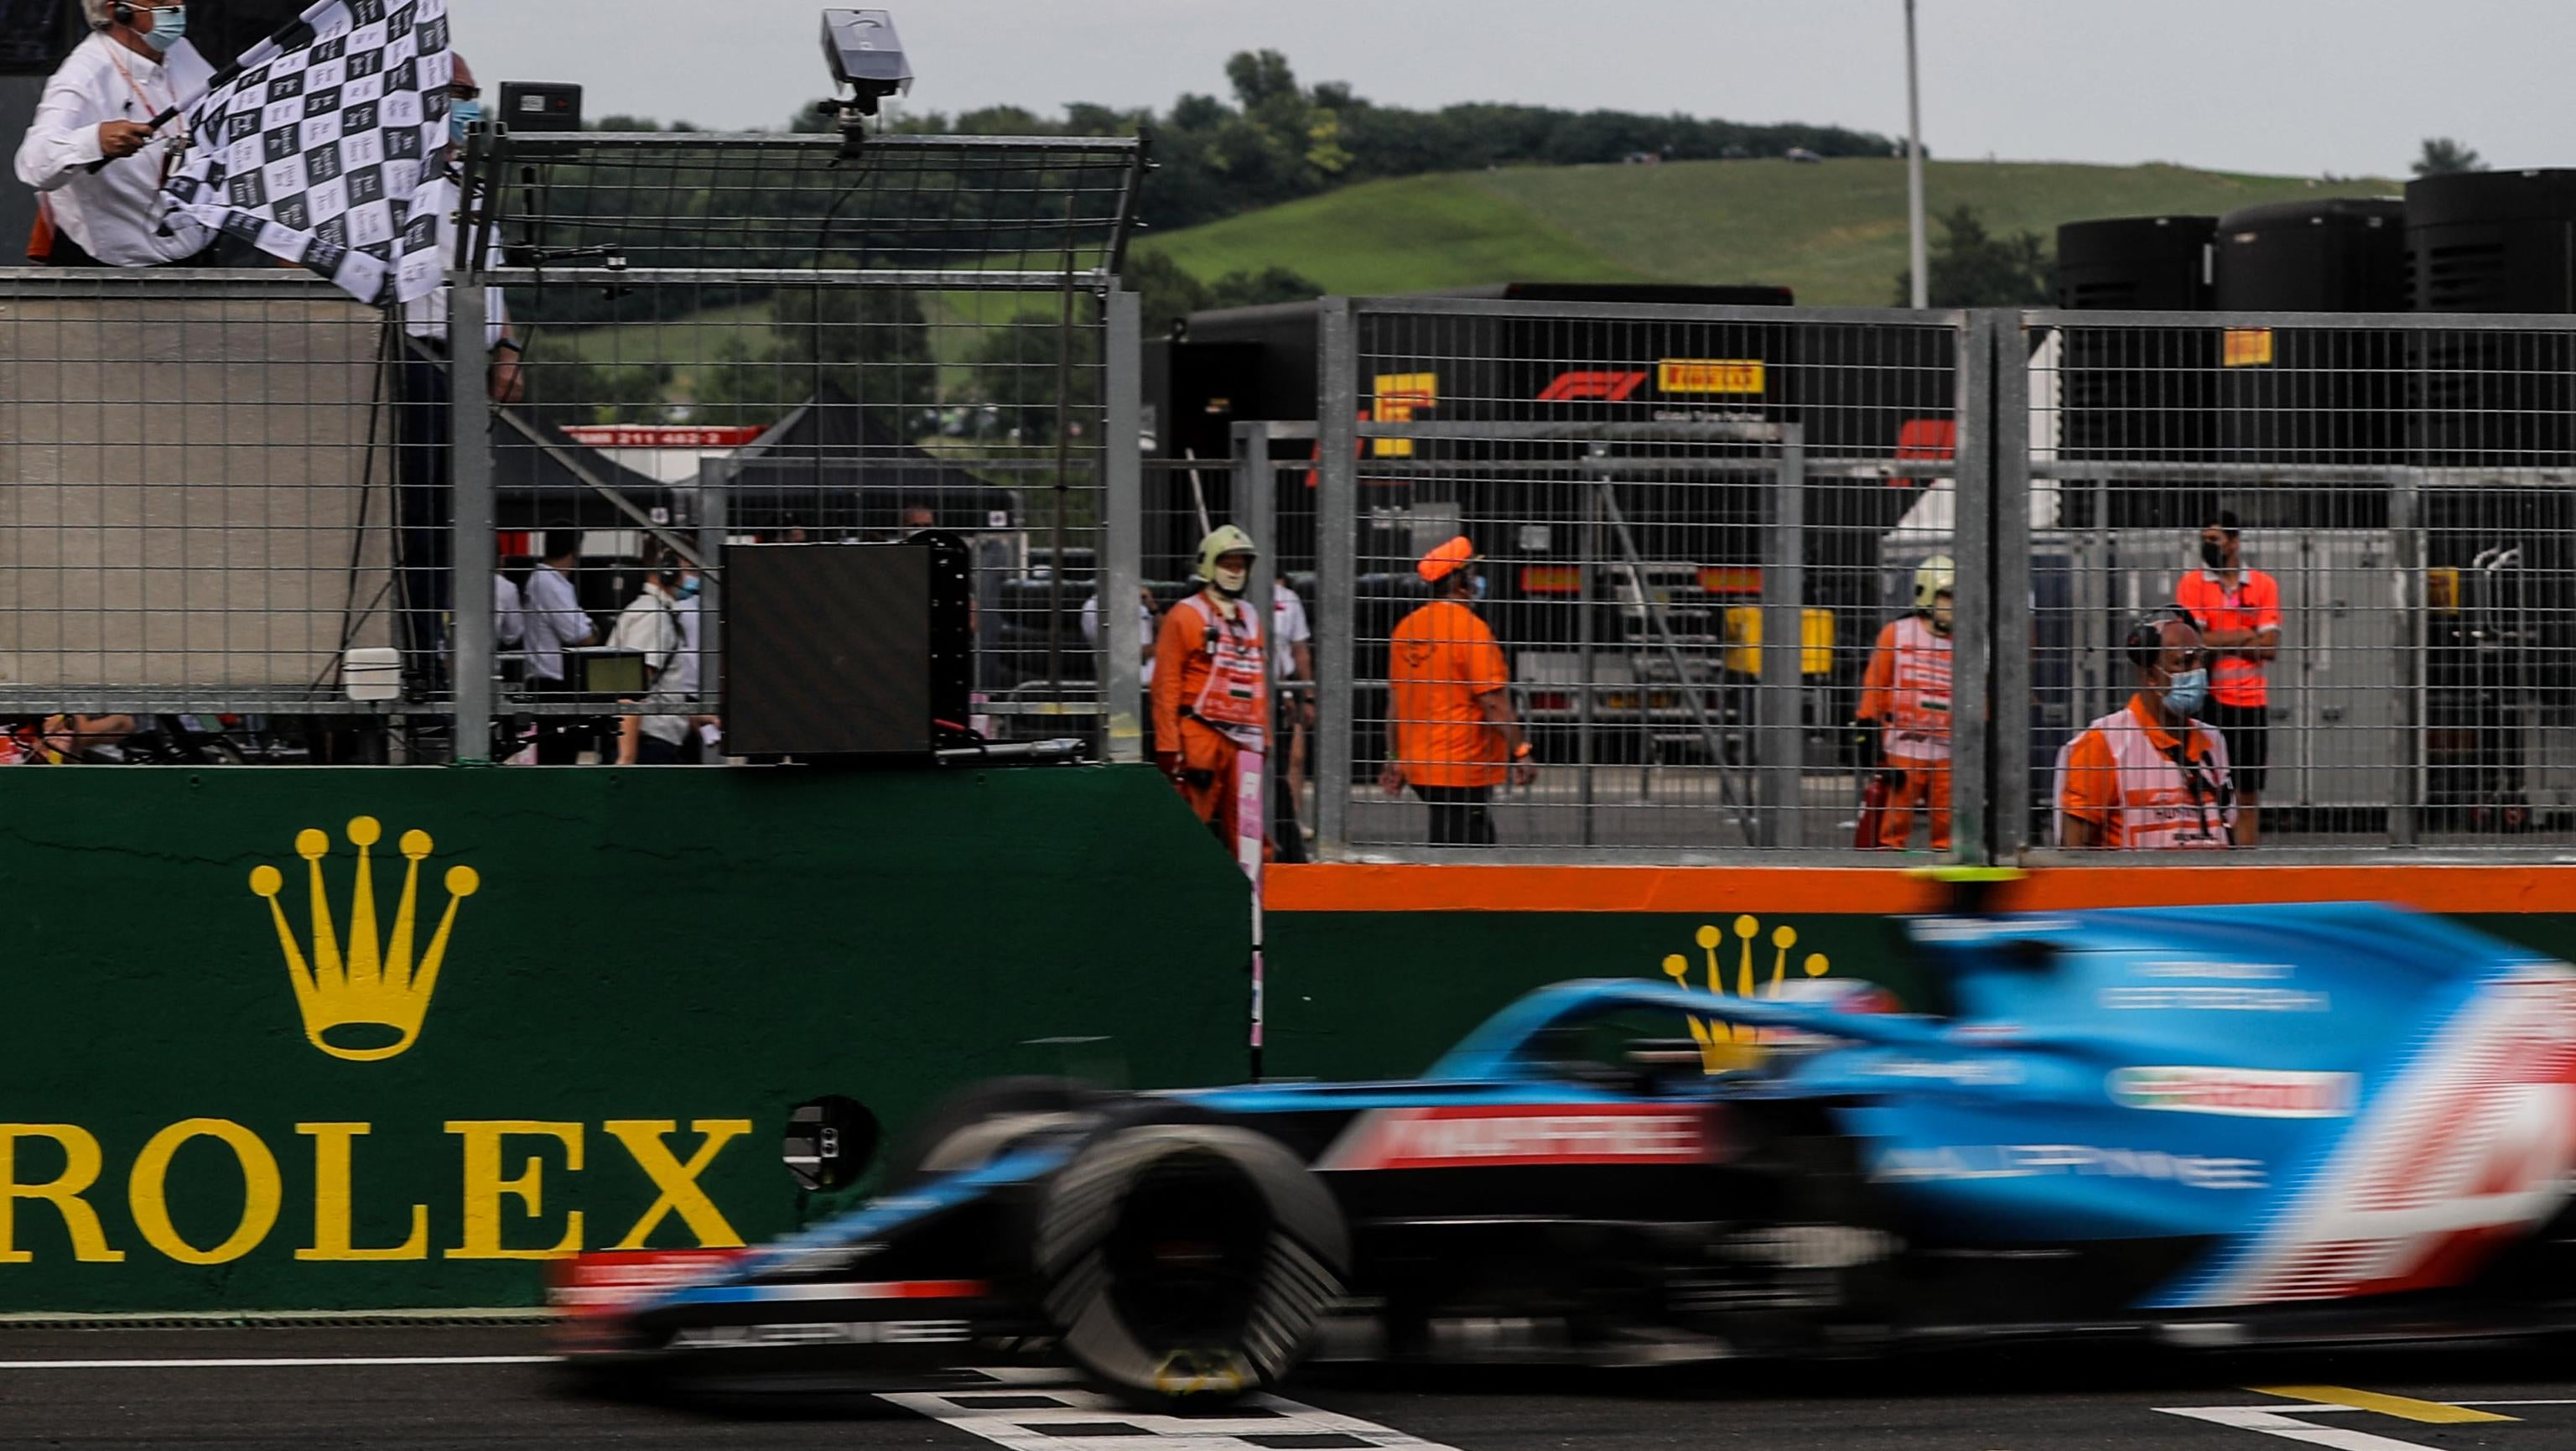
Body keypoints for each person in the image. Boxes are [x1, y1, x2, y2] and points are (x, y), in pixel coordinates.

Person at [393, 52, 522, 680]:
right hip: (420, 354)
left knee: (462, 513)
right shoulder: (398, 173)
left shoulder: (475, 176)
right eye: (459, 91)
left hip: (471, 357)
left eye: (474, 92)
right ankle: (421, 656)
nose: (471, 103)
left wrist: (509, 347)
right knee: (421, 514)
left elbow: (491, 270)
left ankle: (450, 652)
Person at [13, 1, 214, 267]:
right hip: (113, 274)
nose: (177, 5)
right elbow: (34, 162)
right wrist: (96, 140)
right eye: (160, 1)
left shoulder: (179, 50)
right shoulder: (82, 75)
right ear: (116, 11)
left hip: (195, 255)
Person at [1379, 536, 1535, 847]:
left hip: (1420, 766)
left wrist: (1394, 757)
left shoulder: (1407, 629)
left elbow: (1395, 703)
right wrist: (1521, 751)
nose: (1477, 581)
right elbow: (1493, 702)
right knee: (1469, 851)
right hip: (1462, 764)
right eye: (1472, 573)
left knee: (1448, 839)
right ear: (1461, 581)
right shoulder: (1471, 630)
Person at [2054, 607, 2235, 850]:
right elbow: (2073, 852)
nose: (2197, 673)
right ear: (2150, 676)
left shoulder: (2213, 741)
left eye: (2201, 660)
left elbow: (2231, 826)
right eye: (2184, 662)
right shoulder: (2105, 743)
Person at [1151, 525, 1268, 844]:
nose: (1235, 572)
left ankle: (1251, 892)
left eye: (1240, 565)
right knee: (1190, 827)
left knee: (1248, 831)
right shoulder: (1185, 615)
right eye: (1228, 564)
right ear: (1209, 565)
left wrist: (1264, 737)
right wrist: (1168, 744)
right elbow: (1166, 684)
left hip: (1245, 737)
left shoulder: (1251, 617)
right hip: (1199, 734)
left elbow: (1258, 680)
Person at [2174, 510, 2279, 845]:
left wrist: (2220, 637)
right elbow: (2195, 644)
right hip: (2206, 703)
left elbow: (2271, 647)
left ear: (2234, 542)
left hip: (2250, 704)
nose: (2207, 546)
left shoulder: (2263, 585)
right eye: (2204, 540)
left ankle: (2247, 867)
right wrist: (2247, 636)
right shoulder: (2192, 584)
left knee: (2247, 796)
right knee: (2204, 792)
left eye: (2214, 540)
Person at [1853, 556, 1955, 850]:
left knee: (1949, 828)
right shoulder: (1896, 634)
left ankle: (1947, 882)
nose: (1954, 605)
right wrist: (1870, 742)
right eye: (1947, 596)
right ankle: (1887, 874)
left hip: (1949, 751)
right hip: (1902, 748)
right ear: (1928, 595)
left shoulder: (1967, 641)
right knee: (1892, 827)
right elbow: (1874, 686)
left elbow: (1979, 695)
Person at [519, 528, 596, 764]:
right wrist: (593, 630)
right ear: (575, 553)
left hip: (549, 681)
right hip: (551, 684)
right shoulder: (549, 583)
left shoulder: (548, 582)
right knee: (558, 759)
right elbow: (582, 635)